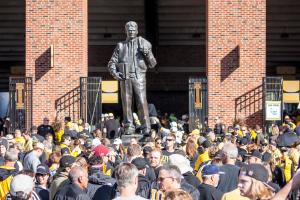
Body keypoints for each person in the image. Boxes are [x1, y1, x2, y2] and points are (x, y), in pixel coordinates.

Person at [108, 21, 157, 136]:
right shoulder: (120, 46)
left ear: (137, 31)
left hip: (138, 76)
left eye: (133, 30)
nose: (131, 32)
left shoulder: (144, 43)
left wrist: (147, 53)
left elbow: (153, 64)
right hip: (125, 78)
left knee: (141, 101)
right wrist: (115, 73)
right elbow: (111, 63)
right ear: (125, 31)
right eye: (129, 30)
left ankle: (146, 127)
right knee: (126, 104)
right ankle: (129, 126)